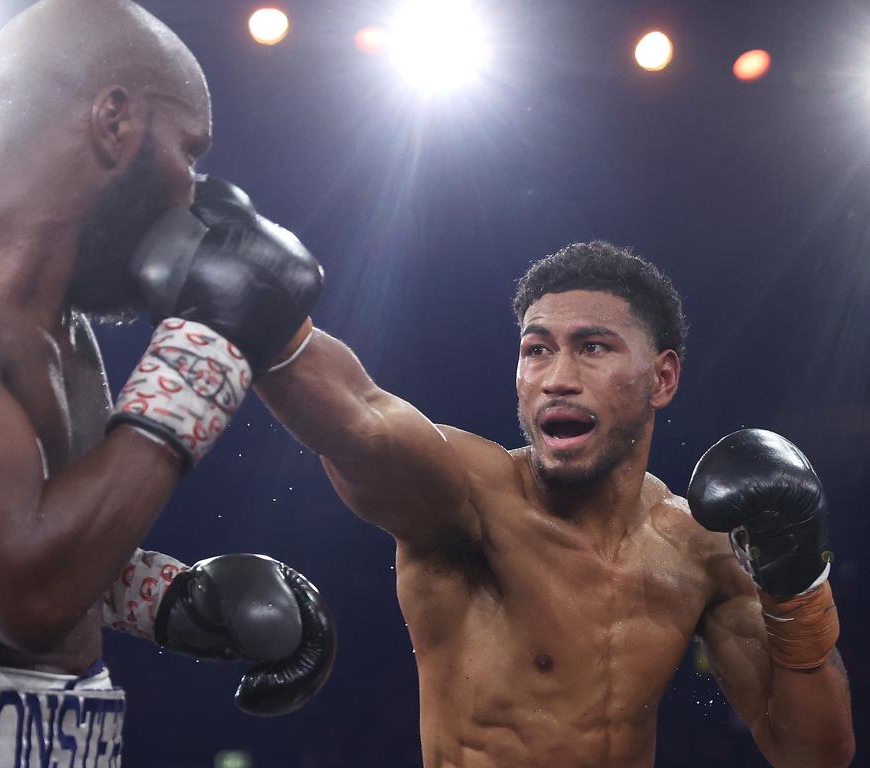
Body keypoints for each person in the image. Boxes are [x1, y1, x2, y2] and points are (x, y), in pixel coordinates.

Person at [0, 0, 333, 763]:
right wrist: (207, 347)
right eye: (189, 151)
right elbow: (25, 595)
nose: (191, 192)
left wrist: (169, 599)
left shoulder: (64, 332)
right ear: (115, 121)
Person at [256, 240, 855, 766]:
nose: (555, 378)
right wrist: (259, 314)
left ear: (663, 378)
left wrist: (797, 586)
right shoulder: (474, 498)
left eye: (593, 347)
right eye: (537, 349)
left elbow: (814, 753)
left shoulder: (699, 549)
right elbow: (357, 419)